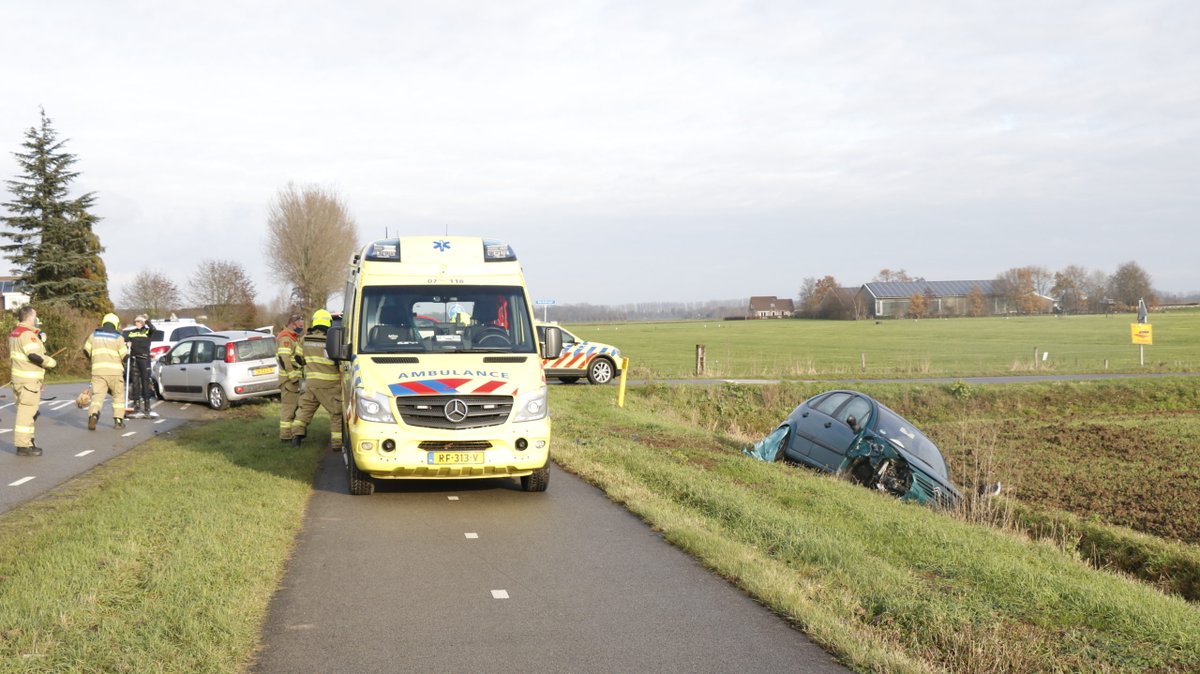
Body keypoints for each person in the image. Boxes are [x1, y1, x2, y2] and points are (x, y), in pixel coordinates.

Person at [290, 309, 342, 451]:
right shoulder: (333, 340)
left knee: (304, 411)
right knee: (336, 414)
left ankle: (296, 438)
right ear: (329, 322)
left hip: (311, 384)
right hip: (330, 385)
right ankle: (337, 444)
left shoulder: (305, 339)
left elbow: (298, 360)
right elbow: (340, 362)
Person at [9, 305, 55, 456]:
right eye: (34, 317)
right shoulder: (28, 335)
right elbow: (33, 356)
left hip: (18, 379)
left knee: (27, 412)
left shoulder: (15, 333)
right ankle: (23, 446)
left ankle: (28, 441)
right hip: (28, 380)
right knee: (27, 412)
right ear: (30, 317)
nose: (35, 320)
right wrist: (50, 362)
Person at [83, 312, 129, 430]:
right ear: (115, 324)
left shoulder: (94, 335)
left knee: (97, 397)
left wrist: (93, 360)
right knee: (118, 396)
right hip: (115, 373)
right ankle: (118, 421)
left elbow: (86, 351)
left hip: (98, 372)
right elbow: (125, 357)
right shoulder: (119, 337)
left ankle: (93, 415)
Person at [275, 313, 305, 443]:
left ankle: (292, 434)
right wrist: (293, 377)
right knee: (288, 409)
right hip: (289, 381)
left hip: (294, 380)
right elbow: (284, 358)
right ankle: (286, 437)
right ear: (293, 324)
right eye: (300, 325)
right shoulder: (286, 338)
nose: (301, 327)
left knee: (294, 409)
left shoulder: (293, 338)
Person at [122, 314, 158, 418]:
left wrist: (146, 321)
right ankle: (136, 404)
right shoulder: (132, 332)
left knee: (145, 382)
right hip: (134, 359)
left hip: (144, 360)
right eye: (136, 321)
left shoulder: (147, 331)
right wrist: (127, 343)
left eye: (139, 321)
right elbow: (123, 337)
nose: (137, 323)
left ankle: (147, 405)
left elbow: (153, 329)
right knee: (135, 382)